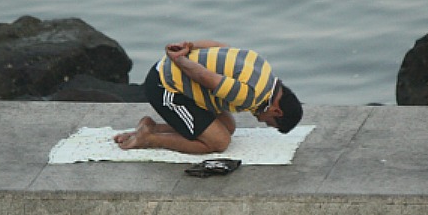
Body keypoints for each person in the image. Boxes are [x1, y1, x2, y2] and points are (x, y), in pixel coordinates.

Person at [114, 40, 302, 154]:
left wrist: (189, 46)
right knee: (219, 142)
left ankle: (154, 127)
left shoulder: (263, 68)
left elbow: (221, 48)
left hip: (177, 80)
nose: (261, 120)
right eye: (269, 122)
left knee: (227, 126)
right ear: (277, 111)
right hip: (165, 87)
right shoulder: (251, 95)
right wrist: (179, 59)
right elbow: (205, 77)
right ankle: (150, 138)